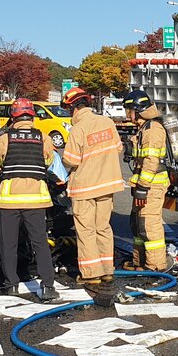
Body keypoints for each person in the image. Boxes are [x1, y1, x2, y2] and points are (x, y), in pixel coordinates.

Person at [0, 98, 59, 302]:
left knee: (8, 244)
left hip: (9, 201)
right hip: (36, 200)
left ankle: (12, 286)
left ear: (13, 116)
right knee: (40, 242)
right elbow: (49, 161)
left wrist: (6, 167)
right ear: (32, 116)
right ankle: (48, 286)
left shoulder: (5, 139)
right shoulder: (44, 138)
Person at [60, 87, 124, 285]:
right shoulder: (107, 122)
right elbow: (118, 148)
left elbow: (71, 161)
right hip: (107, 185)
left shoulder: (78, 129)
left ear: (74, 108)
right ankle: (107, 270)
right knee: (103, 227)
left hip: (84, 188)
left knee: (86, 230)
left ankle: (91, 274)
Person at [122, 90, 170, 272]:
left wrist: (143, 187)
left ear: (138, 109)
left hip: (152, 186)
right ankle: (140, 262)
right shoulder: (144, 128)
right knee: (138, 225)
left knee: (149, 226)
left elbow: (151, 161)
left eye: (129, 110)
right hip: (144, 185)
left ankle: (156, 266)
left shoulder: (153, 130)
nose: (128, 114)